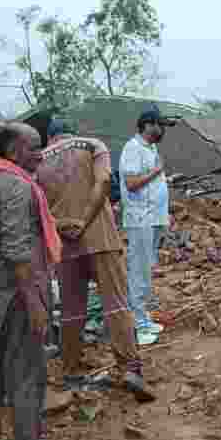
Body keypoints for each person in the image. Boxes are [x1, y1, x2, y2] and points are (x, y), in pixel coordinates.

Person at [36, 119, 155, 401]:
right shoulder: (93, 145)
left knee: (71, 311)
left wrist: (62, 225)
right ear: (71, 133)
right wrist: (84, 221)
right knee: (116, 305)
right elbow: (103, 181)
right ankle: (130, 369)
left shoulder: (38, 159)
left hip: (64, 246)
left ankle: (71, 371)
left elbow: (35, 202)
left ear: (51, 137)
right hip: (100, 237)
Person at [0, 122, 61, 440]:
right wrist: (36, 304)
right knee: (26, 380)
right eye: (34, 147)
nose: (41, 153)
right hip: (18, 299)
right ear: (12, 151)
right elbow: (17, 251)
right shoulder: (18, 188)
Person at [119, 106, 171, 338]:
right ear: (147, 124)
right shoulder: (133, 148)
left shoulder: (150, 148)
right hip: (140, 218)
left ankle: (144, 319)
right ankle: (138, 325)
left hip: (152, 218)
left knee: (146, 269)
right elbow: (131, 183)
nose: (161, 129)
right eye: (158, 124)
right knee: (138, 270)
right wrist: (157, 171)